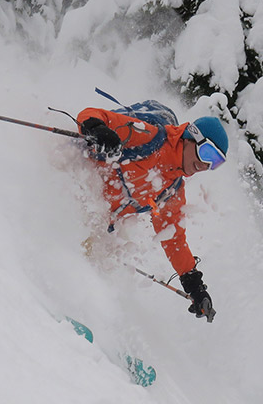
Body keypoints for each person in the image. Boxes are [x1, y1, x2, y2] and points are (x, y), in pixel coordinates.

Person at [76, 103, 228, 323]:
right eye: (207, 153)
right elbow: (90, 114)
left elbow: (174, 239)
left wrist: (194, 285)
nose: (204, 165)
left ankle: (79, 315)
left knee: (93, 258)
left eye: (215, 163)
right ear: (190, 137)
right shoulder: (149, 136)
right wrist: (97, 128)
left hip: (92, 219)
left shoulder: (172, 190)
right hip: (73, 180)